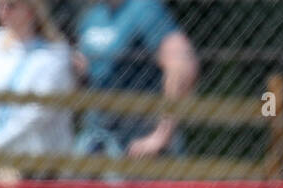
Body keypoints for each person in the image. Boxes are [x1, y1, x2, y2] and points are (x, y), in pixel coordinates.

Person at [73, 0, 199, 158]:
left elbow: (183, 64)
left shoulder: (145, 9)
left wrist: (161, 136)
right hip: (97, 133)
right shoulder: (93, 16)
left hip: (138, 136)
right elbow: (88, 73)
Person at [0, 0, 74, 162]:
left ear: (31, 11)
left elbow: (38, 111)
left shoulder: (54, 53)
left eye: (11, 6)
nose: (1, 12)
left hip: (37, 159)